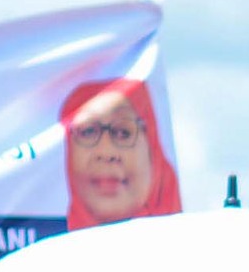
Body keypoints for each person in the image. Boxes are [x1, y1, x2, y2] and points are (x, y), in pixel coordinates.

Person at [62, 78, 181, 229]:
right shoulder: (45, 243)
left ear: (152, 148)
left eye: (123, 133)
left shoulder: (184, 242)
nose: (106, 152)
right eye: (88, 131)